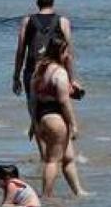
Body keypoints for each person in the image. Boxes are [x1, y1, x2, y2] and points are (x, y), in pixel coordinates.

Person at [13, 0, 79, 129]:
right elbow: (68, 54)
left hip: (33, 73)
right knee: (61, 112)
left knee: (36, 115)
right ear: (53, 2)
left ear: (37, 1)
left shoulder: (27, 21)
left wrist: (16, 77)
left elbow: (20, 51)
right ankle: (63, 144)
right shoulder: (63, 22)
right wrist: (71, 80)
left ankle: (43, 146)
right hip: (56, 73)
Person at [30, 34, 86, 197]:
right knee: (52, 160)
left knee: (68, 157)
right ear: (60, 52)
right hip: (56, 118)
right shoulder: (59, 73)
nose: (68, 55)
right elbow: (63, 102)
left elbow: (33, 100)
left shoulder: (39, 70)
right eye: (66, 51)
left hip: (42, 116)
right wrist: (73, 124)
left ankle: (78, 191)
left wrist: (34, 122)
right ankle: (46, 195)